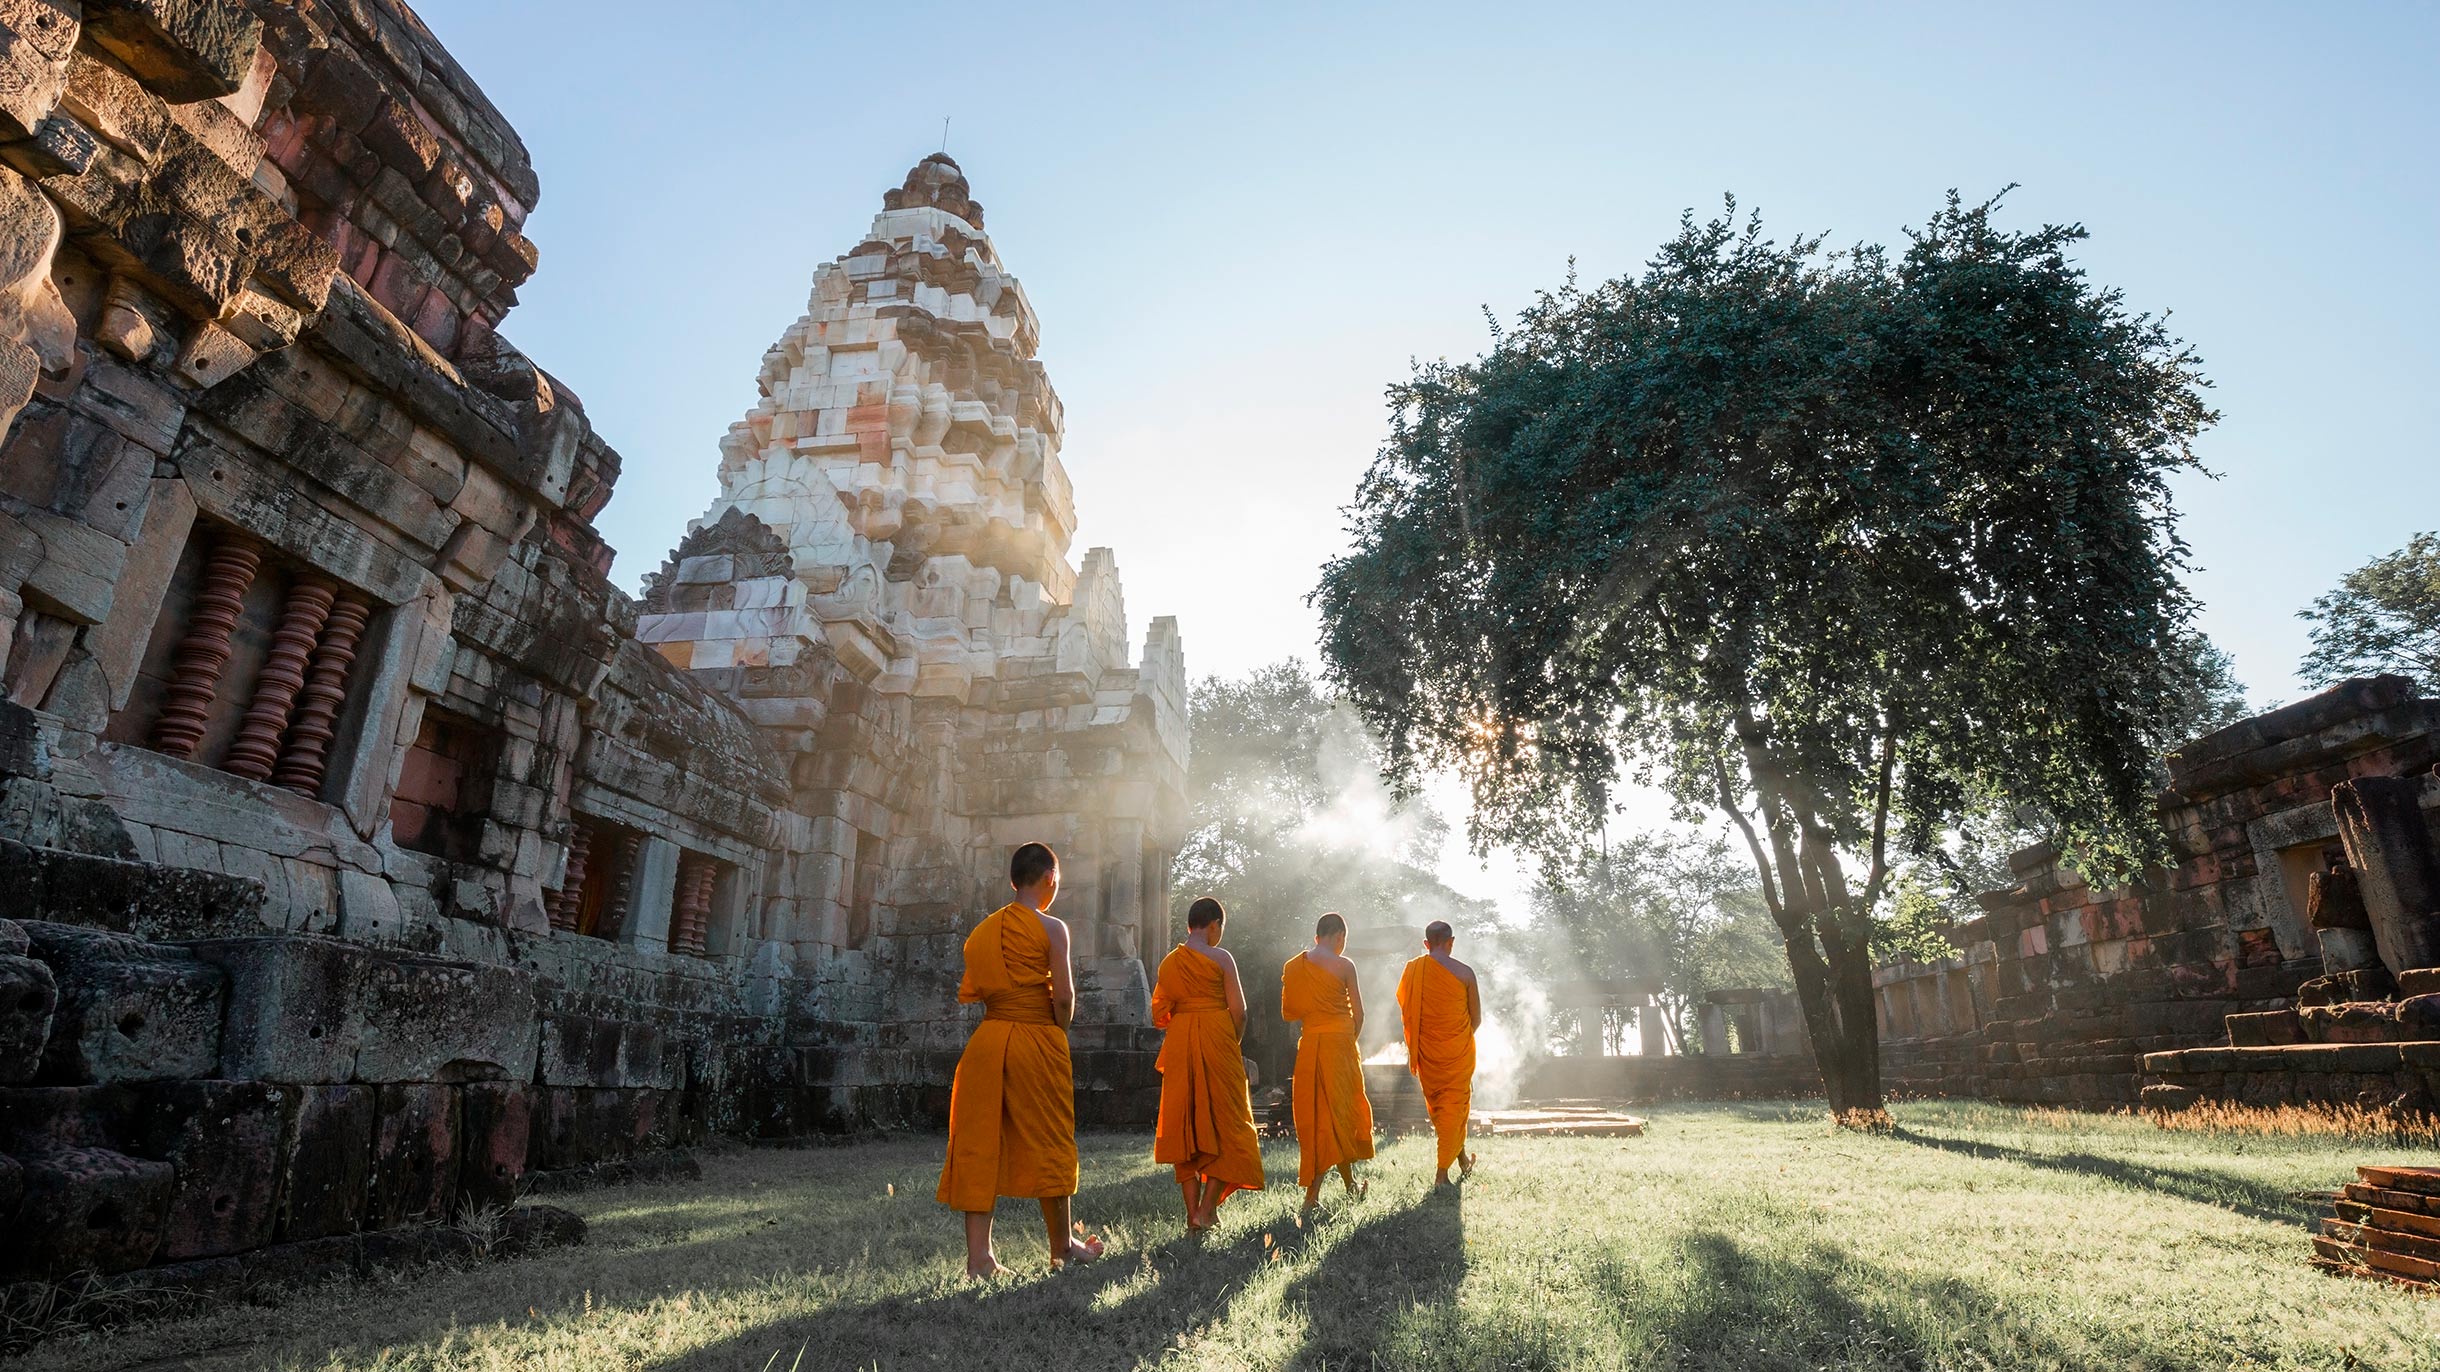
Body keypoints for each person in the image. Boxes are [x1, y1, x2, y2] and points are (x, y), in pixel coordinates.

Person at [936, 842, 1104, 1276]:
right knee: (1052, 1137)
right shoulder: (1052, 928)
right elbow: (1063, 997)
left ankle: (980, 1258)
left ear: (1014, 880)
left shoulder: (983, 932)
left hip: (987, 1043)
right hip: (1035, 1037)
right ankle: (1061, 1247)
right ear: (1050, 878)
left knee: (979, 1142)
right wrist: (1055, 1032)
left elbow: (978, 989)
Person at [1151, 896, 1266, 1229]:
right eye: (1220, 929)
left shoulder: (1171, 962)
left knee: (1185, 1125)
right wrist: (1233, 1042)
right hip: (1218, 1037)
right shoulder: (1221, 957)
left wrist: (1187, 1015)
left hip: (1181, 1041)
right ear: (1214, 924)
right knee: (1228, 1123)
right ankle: (1206, 1208)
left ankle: (1193, 1215)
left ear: (1189, 925)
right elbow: (1240, 1012)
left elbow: (1159, 1011)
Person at [1281, 911, 1375, 1215]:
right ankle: (1311, 1198)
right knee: (1340, 1114)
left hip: (1310, 1047)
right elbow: (1359, 1015)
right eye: (1343, 940)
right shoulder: (1345, 965)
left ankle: (1349, 1186)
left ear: (1316, 937)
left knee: (1320, 1116)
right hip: (1340, 1046)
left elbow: (1289, 1012)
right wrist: (1348, 1040)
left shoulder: (1294, 967)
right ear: (1338, 937)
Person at [1396, 919, 1481, 1186]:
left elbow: (1407, 1010)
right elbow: (1476, 1018)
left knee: (1445, 1111)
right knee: (1454, 1109)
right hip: (1457, 1051)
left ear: (1426, 944)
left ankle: (1463, 1160)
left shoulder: (1413, 970)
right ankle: (1442, 1174)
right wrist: (1455, 1038)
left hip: (1428, 1053)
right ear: (1451, 942)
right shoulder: (1465, 973)